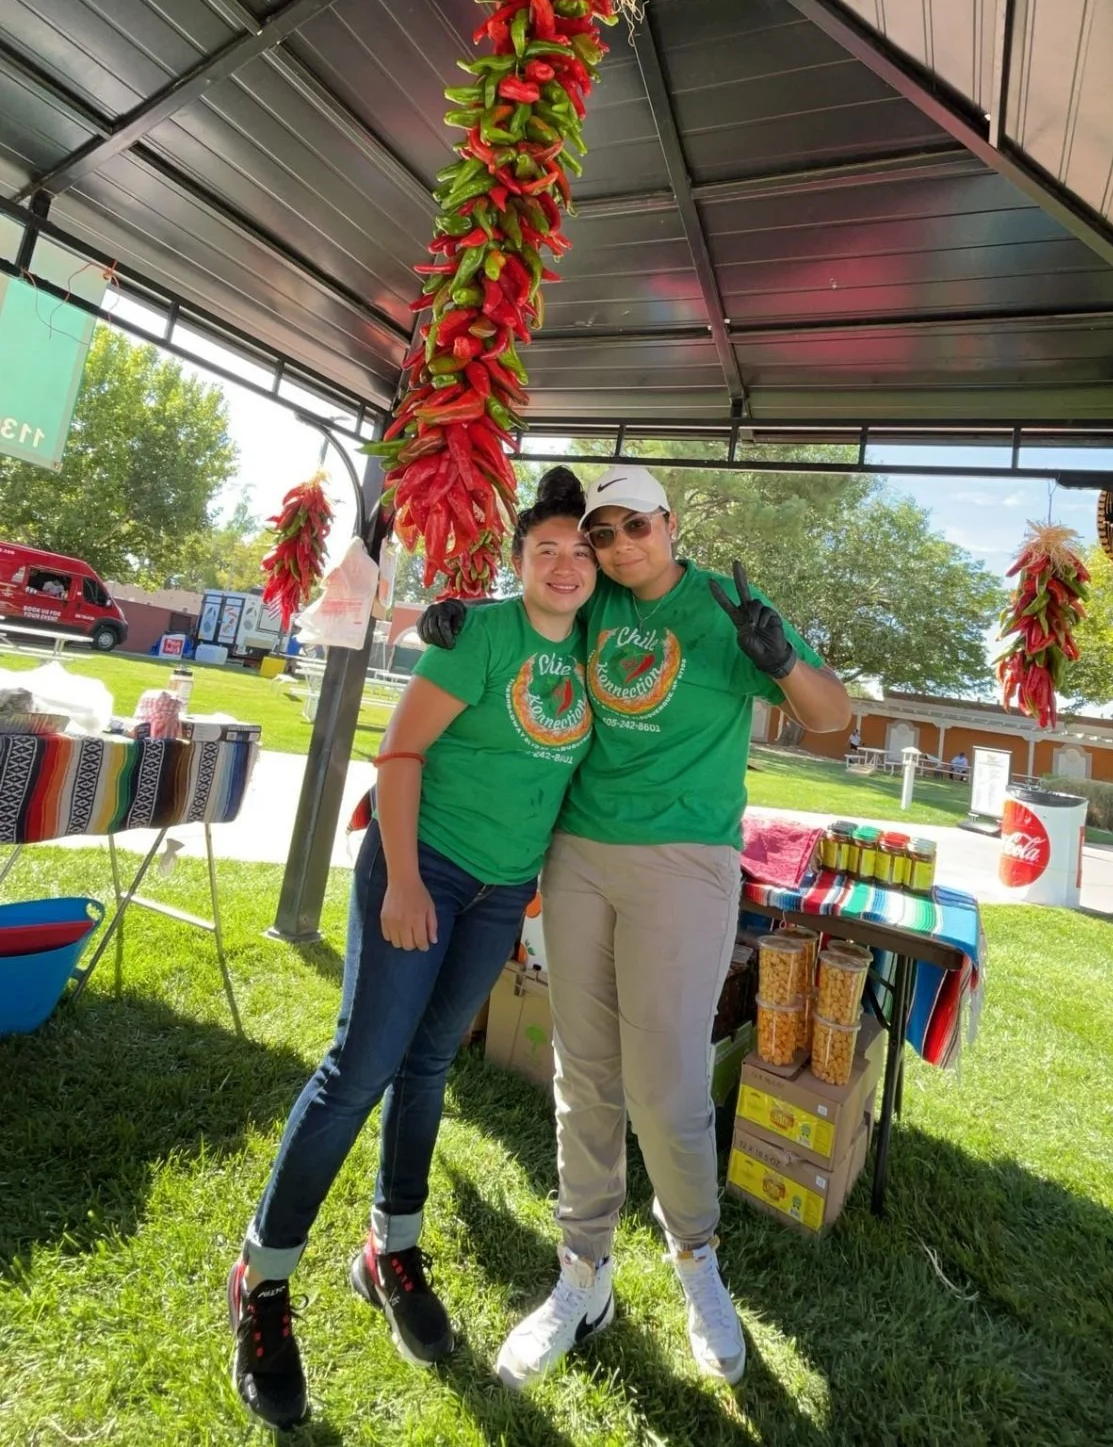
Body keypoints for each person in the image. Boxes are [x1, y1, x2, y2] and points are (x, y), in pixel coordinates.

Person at [422, 465, 851, 1388]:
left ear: (670, 522)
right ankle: (585, 1271)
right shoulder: (597, 604)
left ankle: (696, 1258)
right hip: (576, 856)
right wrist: (461, 616)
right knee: (585, 1072)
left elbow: (832, 719)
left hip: (685, 863)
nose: (616, 548)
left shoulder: (727, 607)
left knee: (666, 1083)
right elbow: (535, 606)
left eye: (632, 528)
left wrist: (777, 659)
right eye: (603, 534)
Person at [227, 469, 596, 1431]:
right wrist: (397, 880)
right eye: (545, 548)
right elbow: (399, 755)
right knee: (361, 1067)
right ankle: (261, 1281)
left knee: (430, 1062)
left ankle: (389, 1249)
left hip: (499, 894)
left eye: (581, 550)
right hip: (420, 867)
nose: (564, 565)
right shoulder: (482, 633)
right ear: (519, 561)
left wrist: (522, 896)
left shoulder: (597, 650)